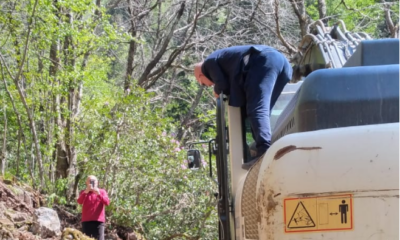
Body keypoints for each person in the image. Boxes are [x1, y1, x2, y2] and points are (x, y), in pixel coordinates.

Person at [194, 45, 292, 168]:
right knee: (263, 111)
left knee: (257, 108)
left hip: (264, 61)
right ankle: (262, 147)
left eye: (203, 84)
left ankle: (265, 152)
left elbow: (223, 85)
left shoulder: (208, 64)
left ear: (200, 75)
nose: (208, 85)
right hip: (282, 64)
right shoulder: (221, 59)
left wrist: (217, 91)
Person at [77, 175, 110, 240]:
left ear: (97, 182)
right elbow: (79, 201)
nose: (92, 182)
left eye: (93, 181)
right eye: (90, 181)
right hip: (86, 221)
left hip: (99, 221)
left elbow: (107, 202)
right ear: (86, 183)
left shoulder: (102, 191)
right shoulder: (83, 192)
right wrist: (86, 192)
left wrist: (99, 194)